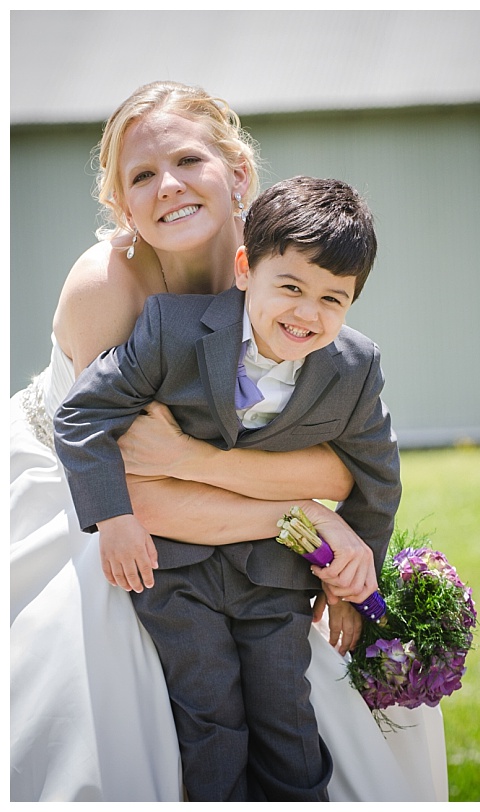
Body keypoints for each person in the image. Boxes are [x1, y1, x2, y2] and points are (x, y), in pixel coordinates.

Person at [10, 81, 445, 801]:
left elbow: (344, 467)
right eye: (141, 176)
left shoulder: (291, 265)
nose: (168, 186)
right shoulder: (110, 292)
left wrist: (338, 545)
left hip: (225, 524)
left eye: (187, 160)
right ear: (120, 205)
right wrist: (308, 527)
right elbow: (136, 482)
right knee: (157, 688)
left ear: (238, 172)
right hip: (95, 494)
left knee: (292, 709)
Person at [53, 175, 397, 801]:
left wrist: (349, 582)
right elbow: (80, 415)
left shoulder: (355, 368)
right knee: (211, 719)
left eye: (331, 299)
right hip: (173, 571)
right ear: (245, 268)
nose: (305, 313)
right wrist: (115, 519)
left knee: (286, 718)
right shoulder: (171, 331)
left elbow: (378, 478)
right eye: (289, 287)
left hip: (274, 574)